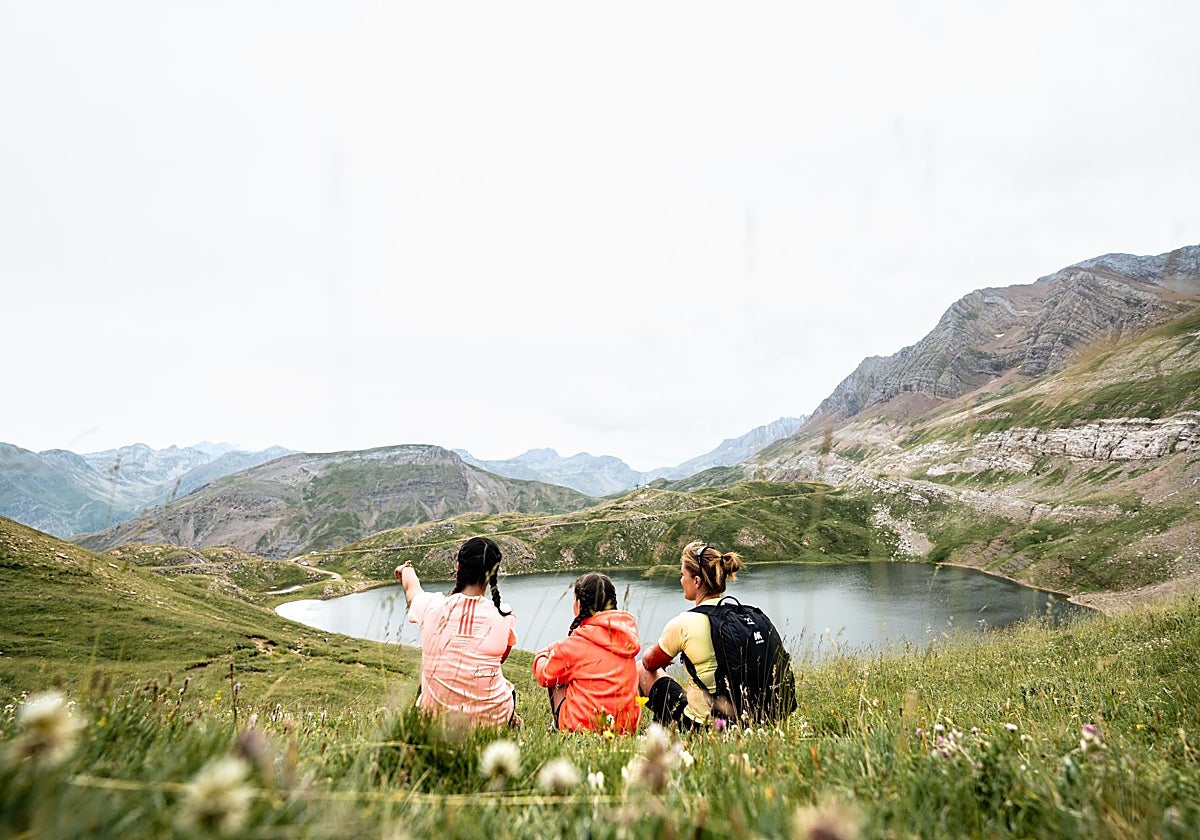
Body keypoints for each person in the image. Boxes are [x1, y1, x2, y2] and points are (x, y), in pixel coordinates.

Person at [394, 536, 521, 727]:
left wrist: (406, 569)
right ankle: (510, 727)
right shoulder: (504, 614)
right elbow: (499, 659)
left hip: (435, 722)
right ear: (493, 572)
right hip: (491, 722)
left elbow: (412, 589)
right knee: (508, 691)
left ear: (458, 567)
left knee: (423, 683)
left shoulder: (431, 606)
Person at [636, 540, 744, 730]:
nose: (681, 580)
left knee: (640, 670)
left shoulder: (684, 623)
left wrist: (662, 657)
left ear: (696, 581)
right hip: (743, 718)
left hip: (701, 724)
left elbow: (648, 663)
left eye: (683, 575)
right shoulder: (740, 615)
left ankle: (655, 732)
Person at [531, 572, 642, 734]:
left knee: (557, 676)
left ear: (579, 603)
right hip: (625, 726)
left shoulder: (574, 644)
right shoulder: (626, 635)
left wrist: (542, 655)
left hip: (584, 728)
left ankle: (558, 729)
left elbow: (545, 676)